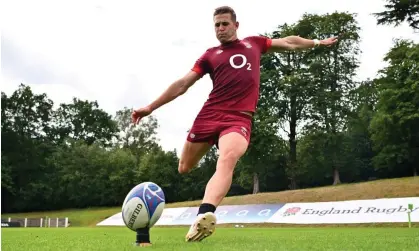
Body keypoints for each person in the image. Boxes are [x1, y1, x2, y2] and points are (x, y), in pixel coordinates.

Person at [131, 6, 338, 243]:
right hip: (209, 115)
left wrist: (317, 42)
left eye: (224, 24)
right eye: (216, 25)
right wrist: (150, 107)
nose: (220, 29)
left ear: (236, 25)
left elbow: (289, 42)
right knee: (184, 167)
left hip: (238, 119)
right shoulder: (209, 55)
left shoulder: (254, 44)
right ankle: (205, 203)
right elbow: (182, 85)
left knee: (227, 158)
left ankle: (203, 215)